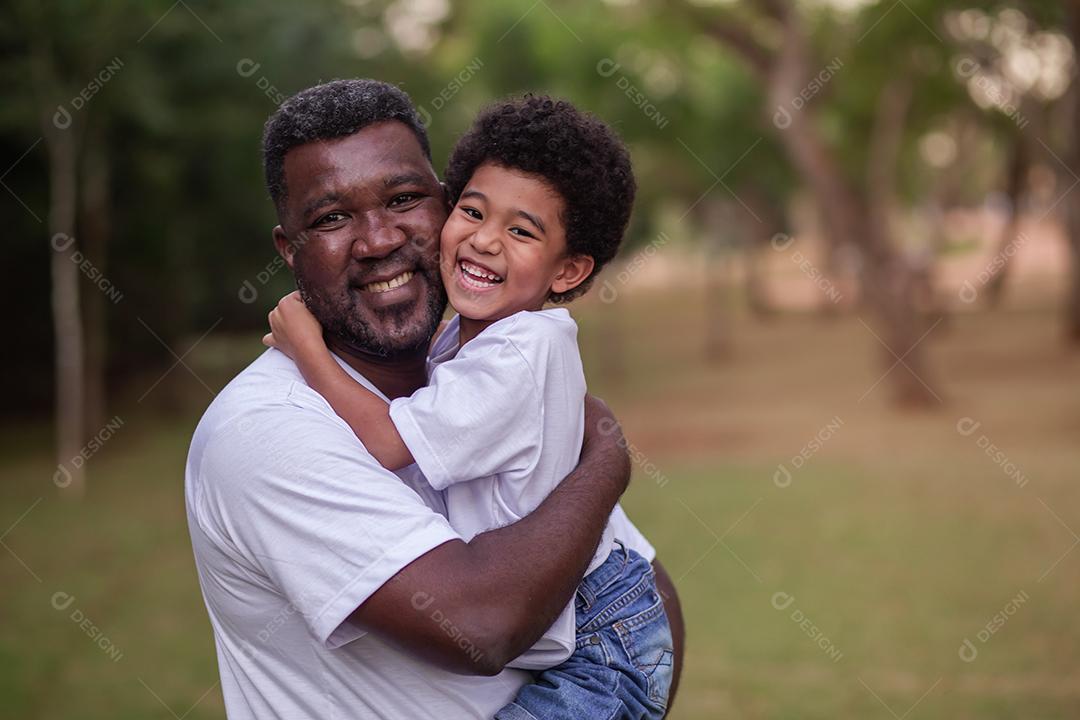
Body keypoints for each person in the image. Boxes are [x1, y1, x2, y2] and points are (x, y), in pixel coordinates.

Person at [185, 78, 683, 719]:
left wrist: (604, 464)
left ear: (439, 205)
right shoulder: (264, 433)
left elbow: (638, 588)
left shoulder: (488, 364)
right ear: (290, 250)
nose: (378, 240)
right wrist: (607, 463)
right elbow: (478, 625)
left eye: (404, 199)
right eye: (332, 218)